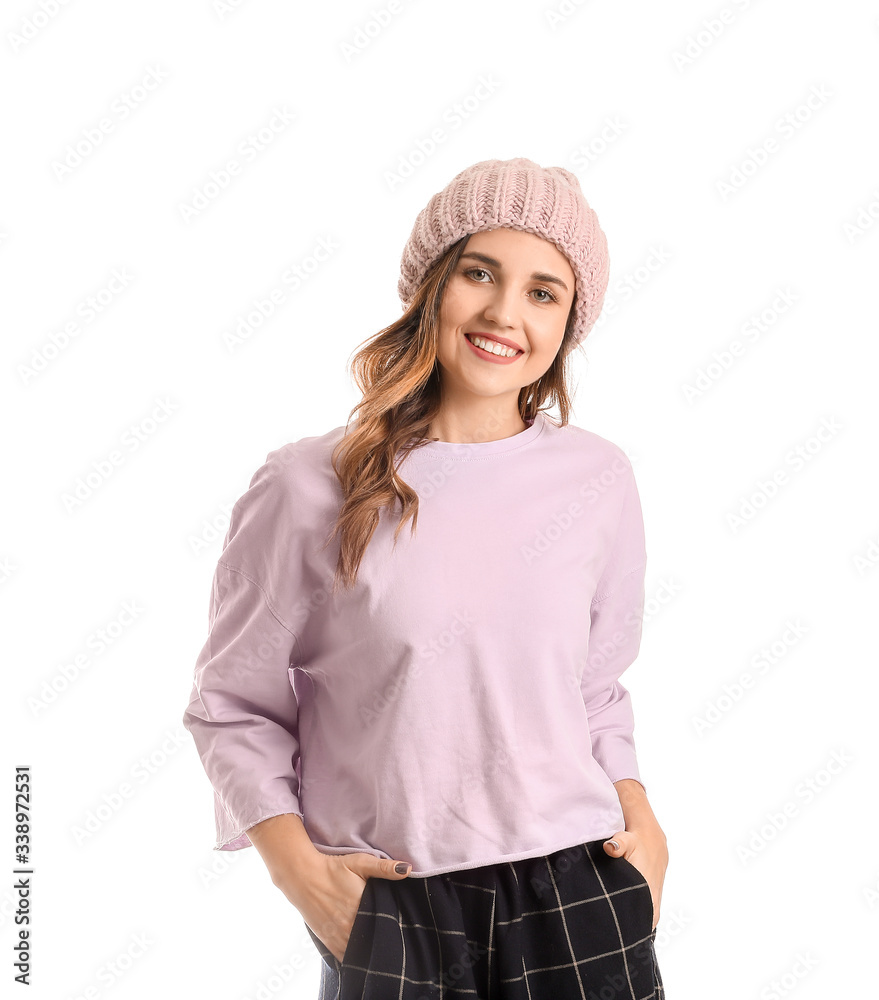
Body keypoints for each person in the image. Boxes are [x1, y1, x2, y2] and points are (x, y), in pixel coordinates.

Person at [183, 157, 668, 999]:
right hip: (393, 897)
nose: (503, 312)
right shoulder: (309, 484)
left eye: (543, 291)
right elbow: (231, 705)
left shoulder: (598, 478)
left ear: (569, 322)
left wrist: (643, 822)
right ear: (431, 285)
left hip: (579, 882)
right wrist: (297, 871)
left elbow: (594, 688)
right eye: (479, 273)